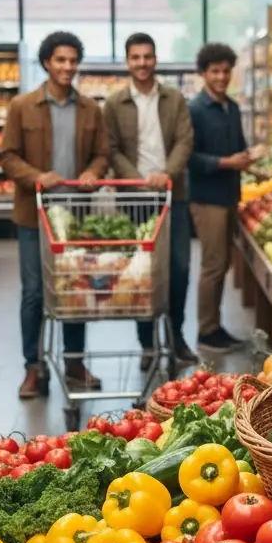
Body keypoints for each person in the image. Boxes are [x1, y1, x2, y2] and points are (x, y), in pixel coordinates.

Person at [1, 31, 109, 399]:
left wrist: (93, 171)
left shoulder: (90, 109)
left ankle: (74, 363)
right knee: (34, 292)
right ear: (47, 62)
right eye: (60, 60)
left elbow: (102, 154)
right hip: (34, 217)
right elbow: (8, 156)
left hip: (76, 216)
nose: (67, 67)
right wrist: (36, 177)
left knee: (75, 291)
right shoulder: (22, 106)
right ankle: (33, 367)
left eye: (73, 60)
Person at [104, 33, 195, 368]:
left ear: (155, 59)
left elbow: (185, 140)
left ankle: (176, 336)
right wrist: (136, 180)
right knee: (140, 273)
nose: (142, 63)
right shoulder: (115, 103)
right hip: (134, 200)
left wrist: (167, 173)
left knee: (179, 267)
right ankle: (147, 343)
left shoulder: (174, 98)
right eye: (135, 57)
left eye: (147, 56)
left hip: (173, 195)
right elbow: (111, 148)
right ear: (127, 61)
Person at [188, 42, 257, 351]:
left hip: (230, 195)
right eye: (214, 71)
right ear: (203, 73)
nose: (221, 77)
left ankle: (215, 325)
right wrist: (227, 162)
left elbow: (239, 147)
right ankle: (207, 331)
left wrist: (250, 157)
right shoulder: (195, 110)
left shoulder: (232, 107)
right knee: (213, 265)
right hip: (207, 199)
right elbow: (190, 158)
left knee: (223, 262)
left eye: (226, 71)